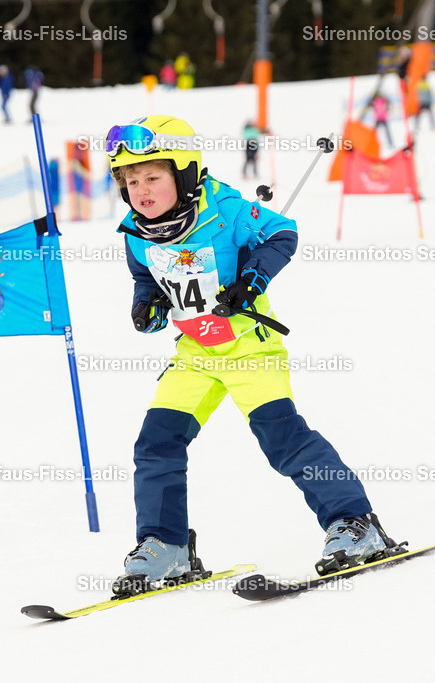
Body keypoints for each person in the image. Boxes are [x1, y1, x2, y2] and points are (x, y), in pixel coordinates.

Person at [103, 115, 397, 592]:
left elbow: (283, 233)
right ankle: (166, 546)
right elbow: (145, 276)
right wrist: (147, 305)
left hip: (248, 347)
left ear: (185, 172)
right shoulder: (136, 233)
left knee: (283, 439)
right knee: (156, 444)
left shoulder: (226, 210)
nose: (142, 191)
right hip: (195, 352)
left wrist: (252, 279)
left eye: (153, 177)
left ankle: (354, 523)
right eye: (131, 182)